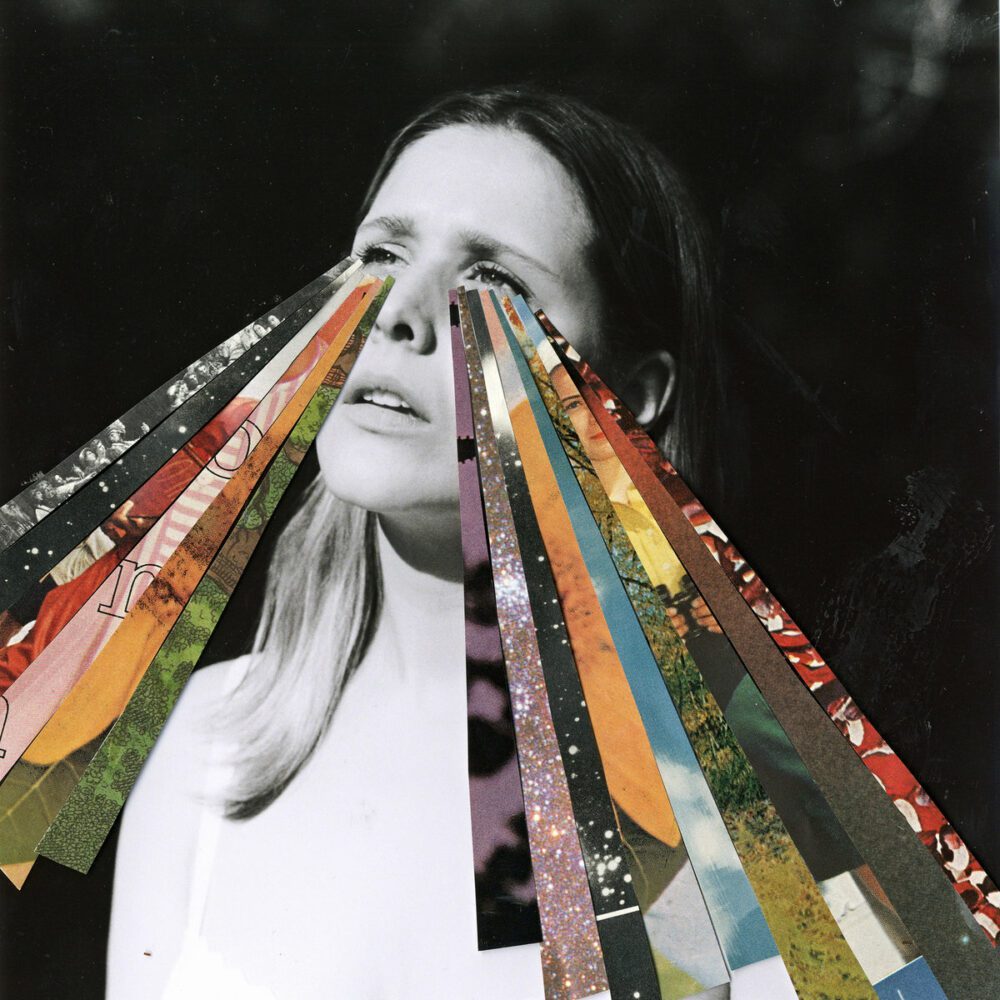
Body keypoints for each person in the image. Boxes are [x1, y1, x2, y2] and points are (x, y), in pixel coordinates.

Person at [108, 86, 721, 999]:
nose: (400, 309)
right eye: (384, 253)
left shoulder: (718, 806)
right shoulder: (206, 735)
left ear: (624, 399)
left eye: (496, 284)